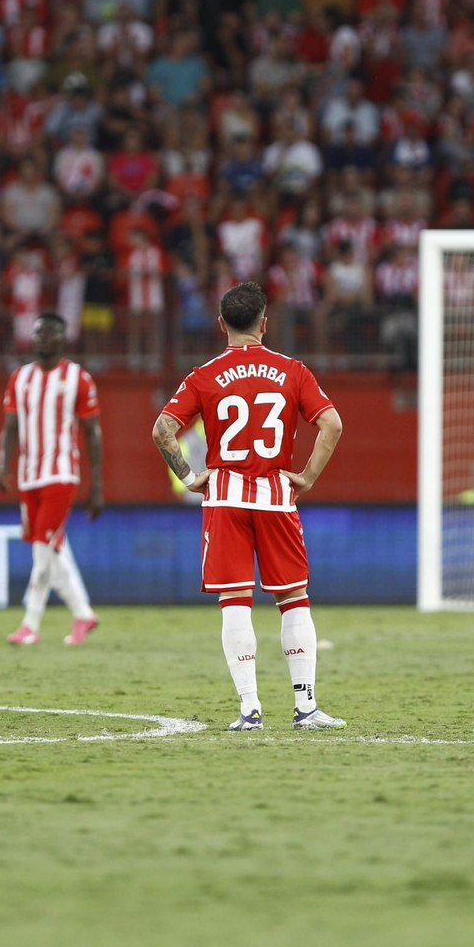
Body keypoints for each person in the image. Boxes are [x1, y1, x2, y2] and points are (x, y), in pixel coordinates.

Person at [151, 282, 346, 730]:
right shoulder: (293, 370)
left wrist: (188, 476)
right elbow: (332, 423)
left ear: (221, 324)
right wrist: (308, 477)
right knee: (294, 598)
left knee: (235, 600)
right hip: (277, 498)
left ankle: (249, 709)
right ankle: (306, 707)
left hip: (224, 498)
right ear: (265, 322)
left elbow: (163, 429)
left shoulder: (203, 375)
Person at [0, 314, 105, 646]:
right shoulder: (20, 377)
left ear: (63, 337)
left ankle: (30, 623)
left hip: (60, 474)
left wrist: (96, 485)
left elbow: (93, 434)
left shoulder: (79, 378)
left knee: (43, 553)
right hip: (30, 477)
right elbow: (11, 425)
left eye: (51, 332)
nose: (43, 337)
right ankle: (83, 614)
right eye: (39, 332)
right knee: (51, 551)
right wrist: (4, 463)